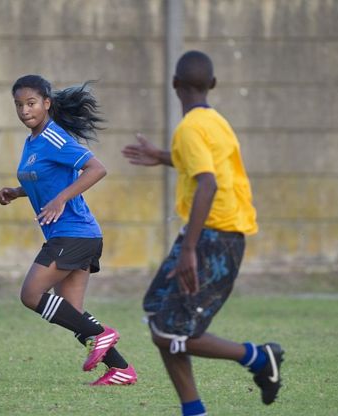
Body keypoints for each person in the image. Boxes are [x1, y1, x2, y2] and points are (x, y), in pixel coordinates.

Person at [122, 51, 283, 415]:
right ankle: (193, 410)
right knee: (157, 315)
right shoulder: (215, 123)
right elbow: (202, 161)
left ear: (175, 84)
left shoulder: (190, 127)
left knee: (171, 333)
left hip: (214, 237)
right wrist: (162, 156)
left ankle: (258, 357)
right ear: (212, 85)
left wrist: (190, 249)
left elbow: (207, 183)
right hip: (213, 235)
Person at [0, 74, 137, 386]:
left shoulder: (54, 137)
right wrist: (17, 192)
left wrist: (62, 199)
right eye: (18, 105)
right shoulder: (32, 141)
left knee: (31, 294)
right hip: (71, 236)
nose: (24, 110)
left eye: (31, 103)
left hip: (75, 233)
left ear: (47, 103)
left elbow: (97, 168)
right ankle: (121, 370)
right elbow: (42, 178)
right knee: (72, 313)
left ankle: (102, 335)